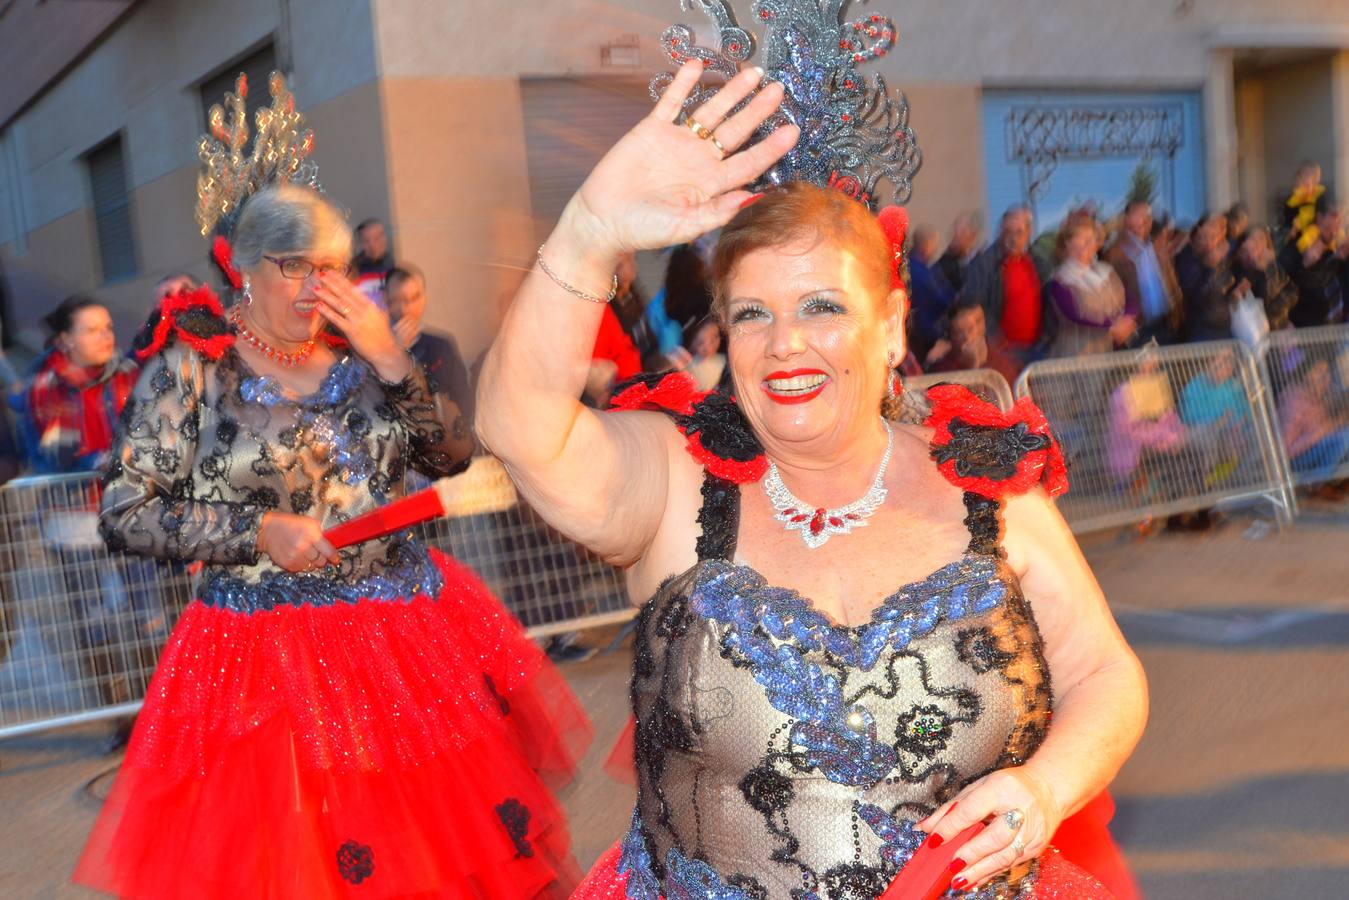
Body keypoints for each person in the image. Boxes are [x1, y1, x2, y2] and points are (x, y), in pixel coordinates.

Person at [478, 59, 1145, 898]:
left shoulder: (986, 488)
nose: (784, 342)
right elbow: (518, 426)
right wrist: (587, 228)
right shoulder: (676, 483)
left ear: (892, 326)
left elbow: (1104, 676)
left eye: (821, 308)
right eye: (753, 314)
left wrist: (1043, 789)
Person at [74, 107, 589, 895]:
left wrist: (390, 358)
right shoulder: (189, 373)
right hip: (263, 661)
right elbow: (126, 511)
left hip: (407, 642)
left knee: (438, 854)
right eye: (299, 267)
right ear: (244, 268)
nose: (323, 288)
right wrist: (255, 532)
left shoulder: (364, 354)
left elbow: (451, 457)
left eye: (337, 268)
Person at [12, 296, 138, 474]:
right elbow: (58, 458)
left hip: (135, 493)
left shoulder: (128, 373)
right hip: (79, 497)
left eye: (108, 327)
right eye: (91, 330)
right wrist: (102, 461)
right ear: (66, 339)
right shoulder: (48, 387)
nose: (105, 336)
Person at [385, 263, 476, 429]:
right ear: (386, 300)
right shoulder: (377, 350)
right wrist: (396, 352)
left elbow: (463, 398)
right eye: (397, 300)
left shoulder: (442, 346)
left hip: (444, 439)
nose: (405, 309)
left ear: (424, 298)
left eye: (413, 298)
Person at [963, 205, 1053, 371]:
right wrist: (996, 341)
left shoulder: (1036, 263)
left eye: (1018, 232)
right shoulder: (985, 264)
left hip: (1037, 349)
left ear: (1028, 233)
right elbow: (973, 303)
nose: (1012, 238)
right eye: (1007, 232)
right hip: (1005, 352)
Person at [1047, 211, 1136, 357]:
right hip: (1075, 359)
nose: (1089, 244)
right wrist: (1112, 325)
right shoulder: (1062, 280)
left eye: (1092, 239)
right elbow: (1075, 314)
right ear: (1068, 243)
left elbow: (1131, 297)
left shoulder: (1106, 271)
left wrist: (1128, 317)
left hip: (1107, 355)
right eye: (1083, 239)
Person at [1106, 200, 1182, 345]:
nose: (1146, 220)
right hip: (1138, 327)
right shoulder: (1116, 252)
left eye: (1148, 216)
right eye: (1140, 216)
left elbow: (1170, 279)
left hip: (1166, 322)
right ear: (1126, 218)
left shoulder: (1156, 246)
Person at [1279, 195, 1347, 327]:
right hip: (1305, 330)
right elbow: (1288, 284)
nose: (1339, 222)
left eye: (1343, 216)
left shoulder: (1337, 249)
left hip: (1337, 331)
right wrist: (1305, 266)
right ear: (1319, 217)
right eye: (1334, 216)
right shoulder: (1298, 246)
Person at [1175, 212, 1242, 342]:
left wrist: (1235, 292)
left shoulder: (1220, 256)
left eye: (1222, 228)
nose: (1219, 233)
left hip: (1224, 329)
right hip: (1202, 334)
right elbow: (1197, 297)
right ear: (1199, 233)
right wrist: (1211, 268)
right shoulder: (1187, 258)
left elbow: (1224, 288)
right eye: (1215, 227)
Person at [1278, 357, 1349, 481]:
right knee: (1344, 438)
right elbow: (1286, 451)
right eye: (1319, 371)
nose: (1326, 377)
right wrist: (1322, 432)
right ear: (1306, 375)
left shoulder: (1325, 394)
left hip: (1320, 446)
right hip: (1296, 461)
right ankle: (1317, 484)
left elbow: (1335, 420)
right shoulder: (1294, 405)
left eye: (1327, 372)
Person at [925, 299, 1021, 385]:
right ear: (952, 336)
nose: (968, 337)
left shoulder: (999, 352)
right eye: (961, 332)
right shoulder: (943, 368)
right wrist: (973, 367)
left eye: (978, 321)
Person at [1231, 227, 1299, 331]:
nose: (1258, 243)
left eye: (1262, 239)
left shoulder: (1271, 265)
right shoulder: (1238, 271)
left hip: (1279, 329)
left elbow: (1293, 293)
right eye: (1253, 239)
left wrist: (1268, 268)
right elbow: (1265, 302)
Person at [907, 223, 955, 363]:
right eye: (934, 245)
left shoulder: (906, 267)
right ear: (926, 245)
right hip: (927, 336)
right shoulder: (924, 274)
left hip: (913, 335)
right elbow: (944, 300)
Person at [1282, 160, 1325, 250]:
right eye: (1304, 175)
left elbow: (1325, 222)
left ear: (1317, 179)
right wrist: (1291, 231)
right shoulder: (1291, 201)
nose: (1307, 179)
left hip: (1319, 244)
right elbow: (1287, 224)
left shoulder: (1322, 196)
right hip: (1296, 246)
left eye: (1312, 175)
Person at [936, 210, 980, 294]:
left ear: (972, 235)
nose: (955, 238)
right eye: (955, 232)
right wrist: (948, 254)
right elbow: (934, 278)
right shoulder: (949, 259)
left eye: (960, 233)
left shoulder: (983, 262)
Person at [684, 316, 726, 391]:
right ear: (691, 345)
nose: (709, 348)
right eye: (700, 343)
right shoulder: (686, 367)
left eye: (714, 338)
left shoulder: (724, 360)